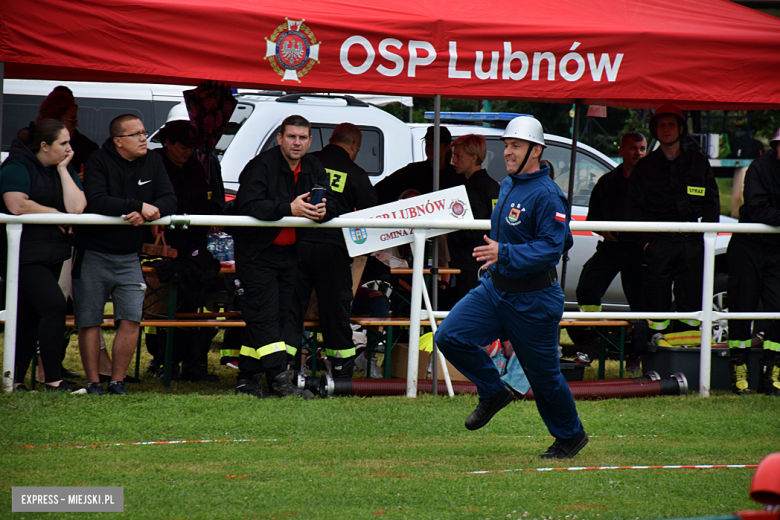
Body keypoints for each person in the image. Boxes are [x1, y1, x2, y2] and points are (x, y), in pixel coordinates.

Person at [434, 116, 588, 459]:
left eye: (515, 146)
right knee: (449, 336)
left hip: (533, 298)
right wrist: (498, 260)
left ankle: (571, 436)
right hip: (495, 290)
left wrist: (504, 252)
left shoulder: (548, 194)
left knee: (543, 377)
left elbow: (555, 247)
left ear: (536, 150)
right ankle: (493, 391)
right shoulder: (508, 184)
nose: (507, 152)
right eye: (506, 145)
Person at [73, 114, 177, 396]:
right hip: (92, 252)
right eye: (137, 134)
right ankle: (94, 383)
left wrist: (150, 211)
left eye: (144, 132)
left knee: (131, 318)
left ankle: (117, 382)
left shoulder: (154, 160)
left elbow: (169, 198)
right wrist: (138, 205)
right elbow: (96, 200)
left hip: (130, 255)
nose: (145, 138)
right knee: (89, 319)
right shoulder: (98, 159)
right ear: (118, 141)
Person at [231, 114, 334, 399]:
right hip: (256, 254)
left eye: (303, 138)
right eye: (291, 136)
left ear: (310, 141)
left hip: (289, 254)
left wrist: (325, 211)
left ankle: (247, 379)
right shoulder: (259, 166)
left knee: (275, 318)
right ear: (279, 138)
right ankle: (279, 380)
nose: (297, 142)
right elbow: (247, 206)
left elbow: (332, 200)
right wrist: (288, 209)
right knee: (264, 317)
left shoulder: (314, 166)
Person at [282, 123, 378, 378]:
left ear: (330, 139)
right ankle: (341, 368)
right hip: (333, 249)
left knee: (293, 307)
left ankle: (287, 367)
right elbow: (371, 215)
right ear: (354, 145)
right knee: (335, 310)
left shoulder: (306, 162)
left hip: (298, 244)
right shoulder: (356, 173)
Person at [0, 119, 87, 392]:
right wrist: (54, 215)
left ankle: (15, 380)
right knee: (53, 306)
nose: (69, 149)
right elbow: (16, 204)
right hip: (23, 253)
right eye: (63, 143)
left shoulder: (64, 167)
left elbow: (77, 208)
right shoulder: (16, 165)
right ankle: (52, 378)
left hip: (53, 252)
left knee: (29, 315)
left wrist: (62, 169)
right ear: (44, 145)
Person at [629, 105, 719, 345]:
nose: (666, 129)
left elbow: (712, 203)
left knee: (691, 301)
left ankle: (687, 350)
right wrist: (647, 243)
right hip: (658, 242)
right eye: (661, 125)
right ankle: (656, 349)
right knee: (656, 299)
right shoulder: (645, 167)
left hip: (692, 240)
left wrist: (707, 239)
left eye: (671, 124)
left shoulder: (698, 162)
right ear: (655, 130)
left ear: (681, 129)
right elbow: (634, 209)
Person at [149, 119, 220, 382]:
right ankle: (162, 360)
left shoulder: (195, 166)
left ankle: (192, 364)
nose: (187, 151)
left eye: (192, 146)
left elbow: (206, 199)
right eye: (182, 145)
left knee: (192, 305)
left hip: (194, 248)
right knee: (160, 308)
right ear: (167, 143)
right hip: (162, 249)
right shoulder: (154, 164)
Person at [575, 132, 647, 370]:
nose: (638, 153)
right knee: (586, 289)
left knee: (640, 301)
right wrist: (604, 231)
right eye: (633, 148)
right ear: (622, 151)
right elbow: (592, 218)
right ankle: (592, 340)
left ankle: (637, 354)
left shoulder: (651, 183)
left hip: (639, 250)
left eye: (642, 148)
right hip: (611, 249)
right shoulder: (606, 182)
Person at [725, 128, 780, 396]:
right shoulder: (759, 168)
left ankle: (772, 371)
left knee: (779, 309)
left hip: (777, 252)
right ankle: (739, 369)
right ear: (775, 146)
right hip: (748, 248)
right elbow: (758, 209)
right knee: (741, 309)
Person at [446, 134, 500, 304]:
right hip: (488, 261)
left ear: (473, 158)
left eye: (458, 156)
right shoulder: (494, 186)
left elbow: (471, 230)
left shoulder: (470, 189)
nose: (453, 160)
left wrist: (448, 232)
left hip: (469, 264)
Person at [375, 126, 462, 205]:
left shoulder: (456, 175)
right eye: (428, 144)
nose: (430, 148)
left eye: (435, 145)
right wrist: (402, 198)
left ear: (448, 147)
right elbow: (379, 190)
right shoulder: (412, 171)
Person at [37, 87, 99, 178]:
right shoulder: (26, 145)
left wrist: (89, 179)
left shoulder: (87, 149)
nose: (76, 124)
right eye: (72, 120)